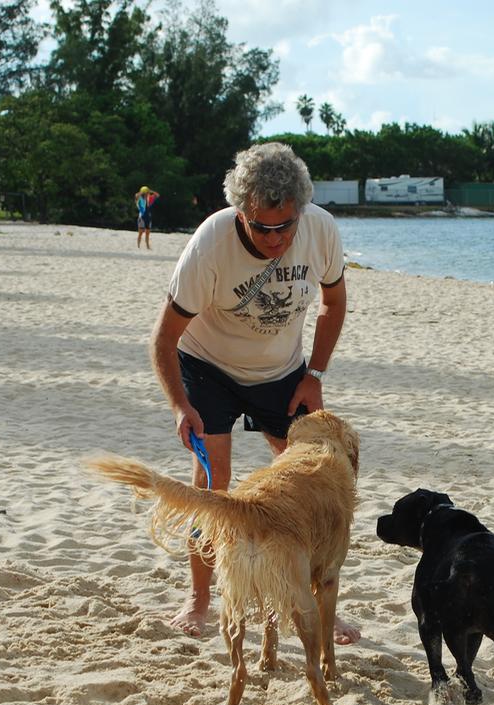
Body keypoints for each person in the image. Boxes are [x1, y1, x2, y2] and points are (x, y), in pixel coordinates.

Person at [148, 142, 358, 643]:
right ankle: (199, 600)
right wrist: (181, 406)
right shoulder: (209, 244)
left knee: (307, 485)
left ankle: (315, 602)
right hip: (208, 366)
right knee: (214, 482)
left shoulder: (320, 229)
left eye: (286, 225)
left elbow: (333, 303)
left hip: (282, 370)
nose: (277, 238)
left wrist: (317, 375)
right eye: (263, 227)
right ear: (241, 212)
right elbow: (163, 339)